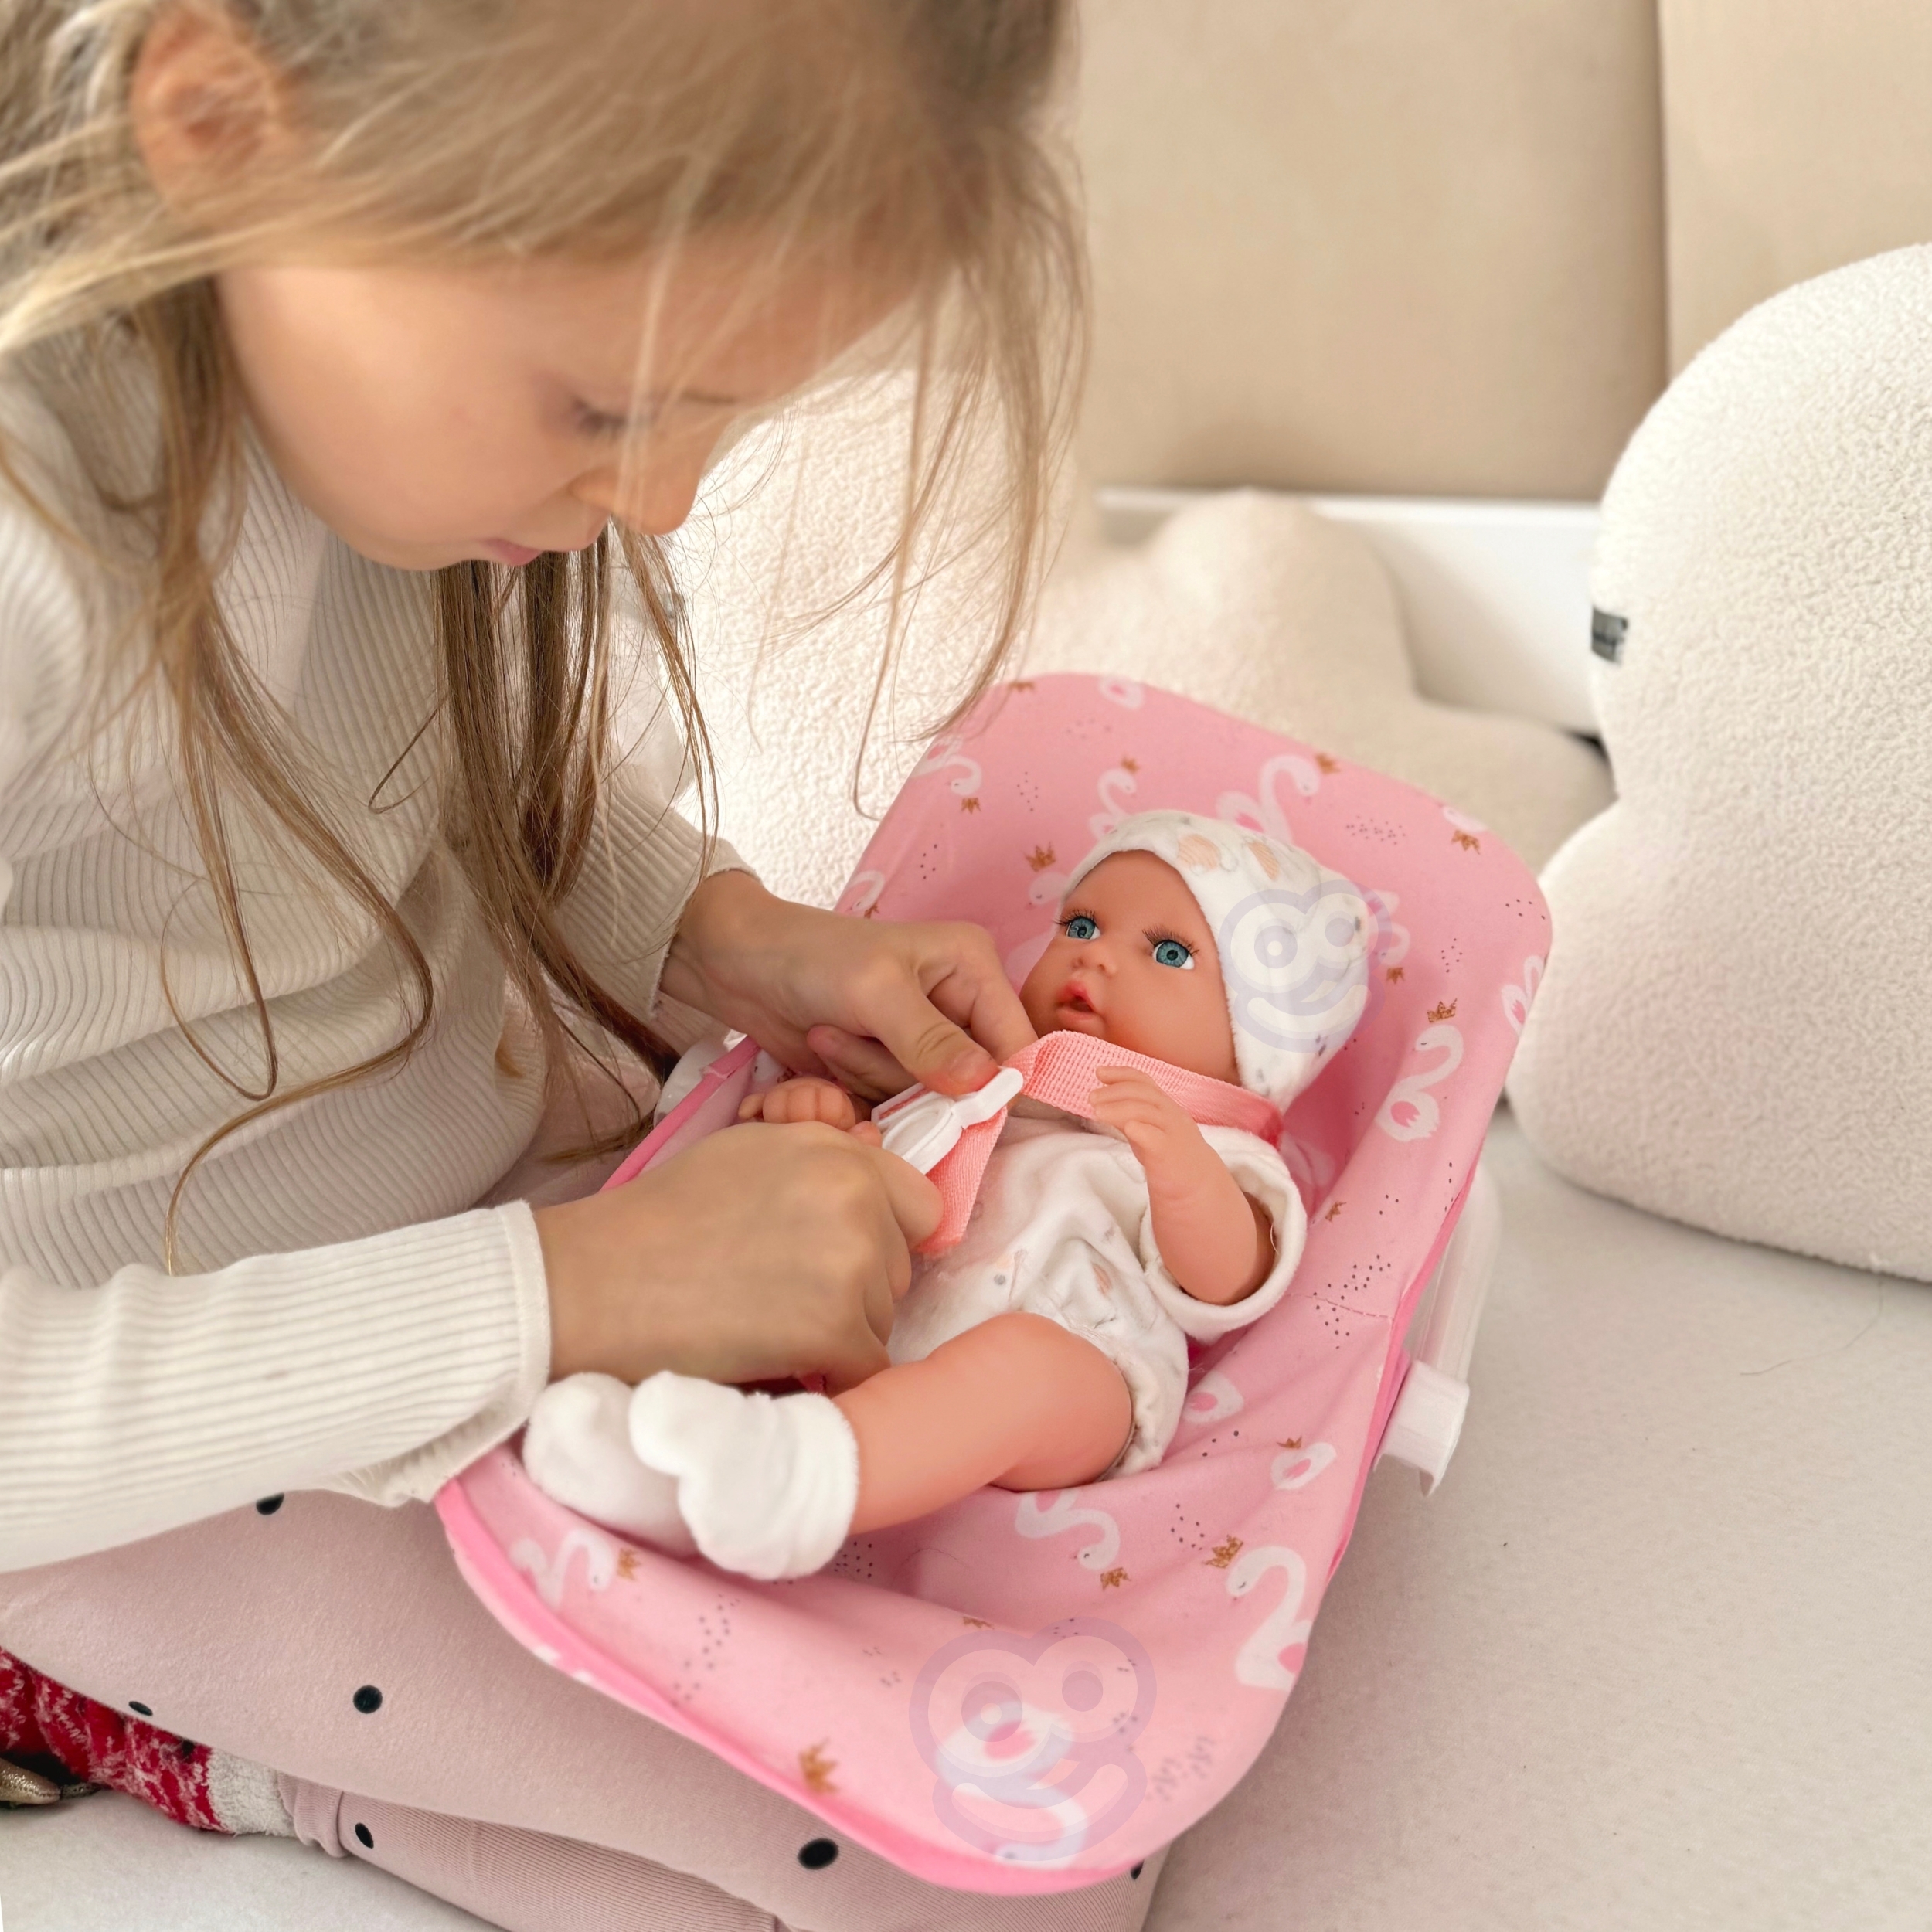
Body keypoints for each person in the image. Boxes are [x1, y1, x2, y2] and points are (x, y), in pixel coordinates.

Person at [0, 4, 1173, 1927]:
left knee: (1052, 1609)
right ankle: (134, 1712)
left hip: (469, 1242)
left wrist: (721, 933)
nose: (666, 503)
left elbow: (395, 779)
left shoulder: (321, 359)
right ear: (216, 123)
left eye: (723, 417)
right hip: (149, 1432)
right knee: (995, 1878)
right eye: (608, 412)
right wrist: (573, 1293)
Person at [526, 811, 1369, 1581]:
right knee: (776, 1247)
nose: (1095, 955)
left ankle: (796, 1481)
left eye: (1170, 952)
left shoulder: (1219, 1153)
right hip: (869, 1319)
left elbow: (1226, 1278)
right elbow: (890, 1166)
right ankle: (659, 1464)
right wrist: (828, 1127)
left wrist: (1180, 1165)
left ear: (1251, 1050)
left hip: (1082, 1365)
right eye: (1080, 925)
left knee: (1023, 1372)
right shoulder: (980, 1081)